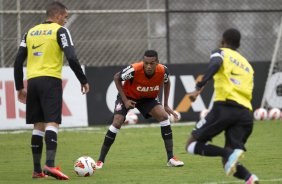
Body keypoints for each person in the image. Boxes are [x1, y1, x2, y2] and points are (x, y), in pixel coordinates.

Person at [14, 1, 90, 180]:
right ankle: (49, 164)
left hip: (32, 82)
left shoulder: (30, 32)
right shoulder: (60, 31)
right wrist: (83, 79)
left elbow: (18, 61)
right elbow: (71, 57)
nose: (66, 20)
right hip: (50, 81)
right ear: (57, 16)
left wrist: (19, 87)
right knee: (52, 123)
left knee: (38, 126)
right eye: (65, 17)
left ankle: (37, 170)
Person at [185, 28, 259, 184]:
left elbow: (215, 64)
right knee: (228, 163)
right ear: (239, 44)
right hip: (245, 115)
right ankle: (250, 178)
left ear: (222, 41)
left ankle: (228, 153)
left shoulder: (221, 52)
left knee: (191, 144)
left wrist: (199, 85)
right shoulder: (247, 65)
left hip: (225, 108)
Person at [96, 50, 184, 169]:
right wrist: (125, 100)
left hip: (148, 98)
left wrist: (166, 104)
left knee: (164, 116)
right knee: (117, 121)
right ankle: (100, 161)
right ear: (143, 62)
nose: (148, 66)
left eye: (152, 63)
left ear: (157, 62)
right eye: (146, 63)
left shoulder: (163, 70)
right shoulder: (134, 69)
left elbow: (167, 82)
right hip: (128, 96)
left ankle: (170, 158)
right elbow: (117, 77)